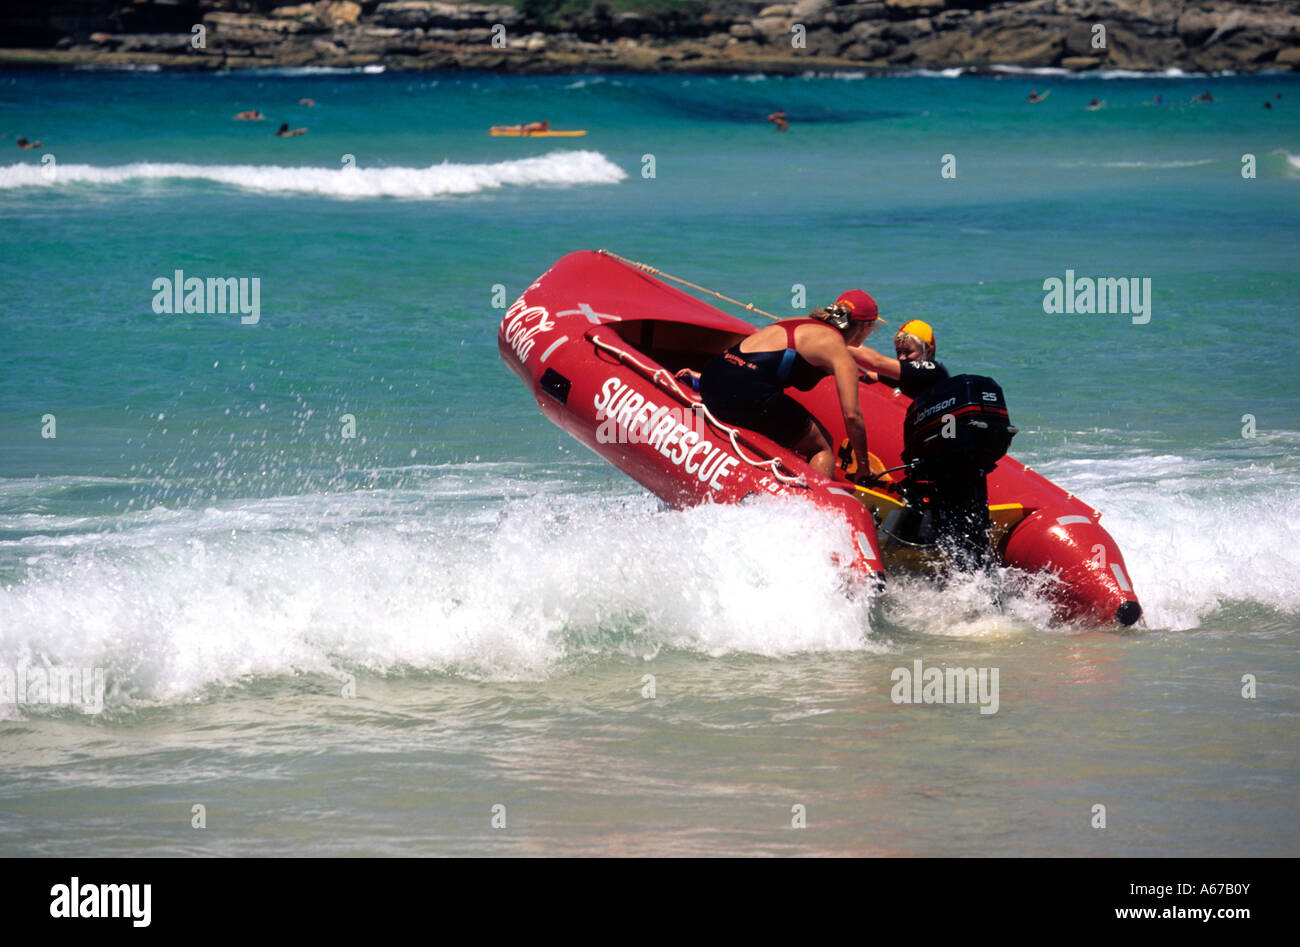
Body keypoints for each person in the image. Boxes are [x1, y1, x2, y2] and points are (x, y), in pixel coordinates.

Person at [684, 291, 885, 483]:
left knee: (776, 406)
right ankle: (813, 508)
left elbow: (749, 354)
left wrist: (710, 377)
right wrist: (863, 468)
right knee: (822, 446)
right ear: (865, 327)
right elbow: (852, 416)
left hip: (714, 376)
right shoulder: (838, 352)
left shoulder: (796, 322)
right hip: (743, 395)